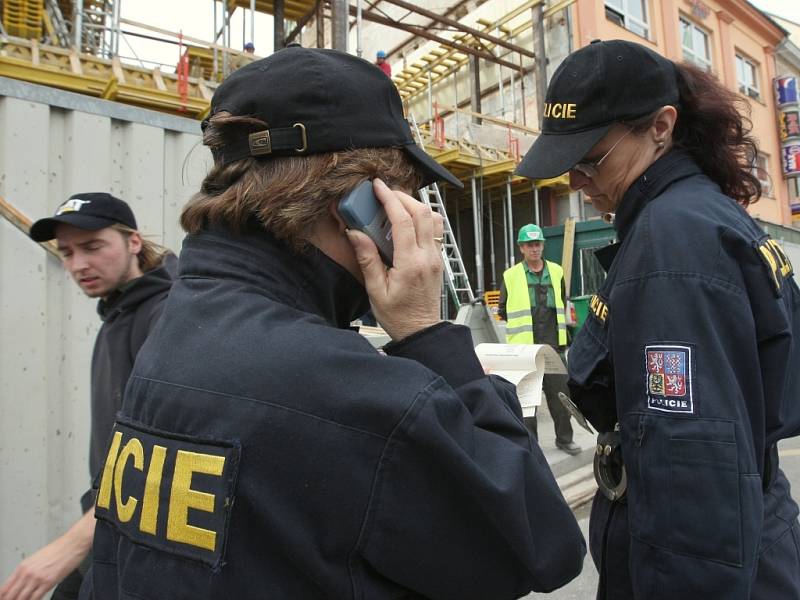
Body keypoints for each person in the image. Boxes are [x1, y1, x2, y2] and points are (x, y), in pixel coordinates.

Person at [82, 46, 585, 599]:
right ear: (354, 203)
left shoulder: (171, 324)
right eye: (406, 196)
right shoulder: (344, 388)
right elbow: (542, 545)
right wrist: (426, 333)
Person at [515, 38, 800, 599]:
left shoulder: (672, 244)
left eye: (589, 160)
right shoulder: (699, 216)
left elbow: (693, 480)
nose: (576, 182)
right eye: (567, 165)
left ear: (661, 127)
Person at [0, 194, 175, 600]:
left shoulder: (164, 316)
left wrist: (71, 546)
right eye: (67, 252)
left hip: (143, 539)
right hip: (113, 524)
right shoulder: (119, 314)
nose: (78, 265)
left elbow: (164, 454)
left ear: (133, 242)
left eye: (93, 246)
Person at [498, 223, 581, 455]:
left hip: (553, 346)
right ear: (521, 248)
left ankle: (565, 439)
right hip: (525, 349)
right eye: (529, 245)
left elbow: (562, 302)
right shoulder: (511, 276)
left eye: (537, 244)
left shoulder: (556, 271)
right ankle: (530, 445)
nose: (534, 249)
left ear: (542, 246)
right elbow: (503, 309)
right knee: (527, 401)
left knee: (561, 396)